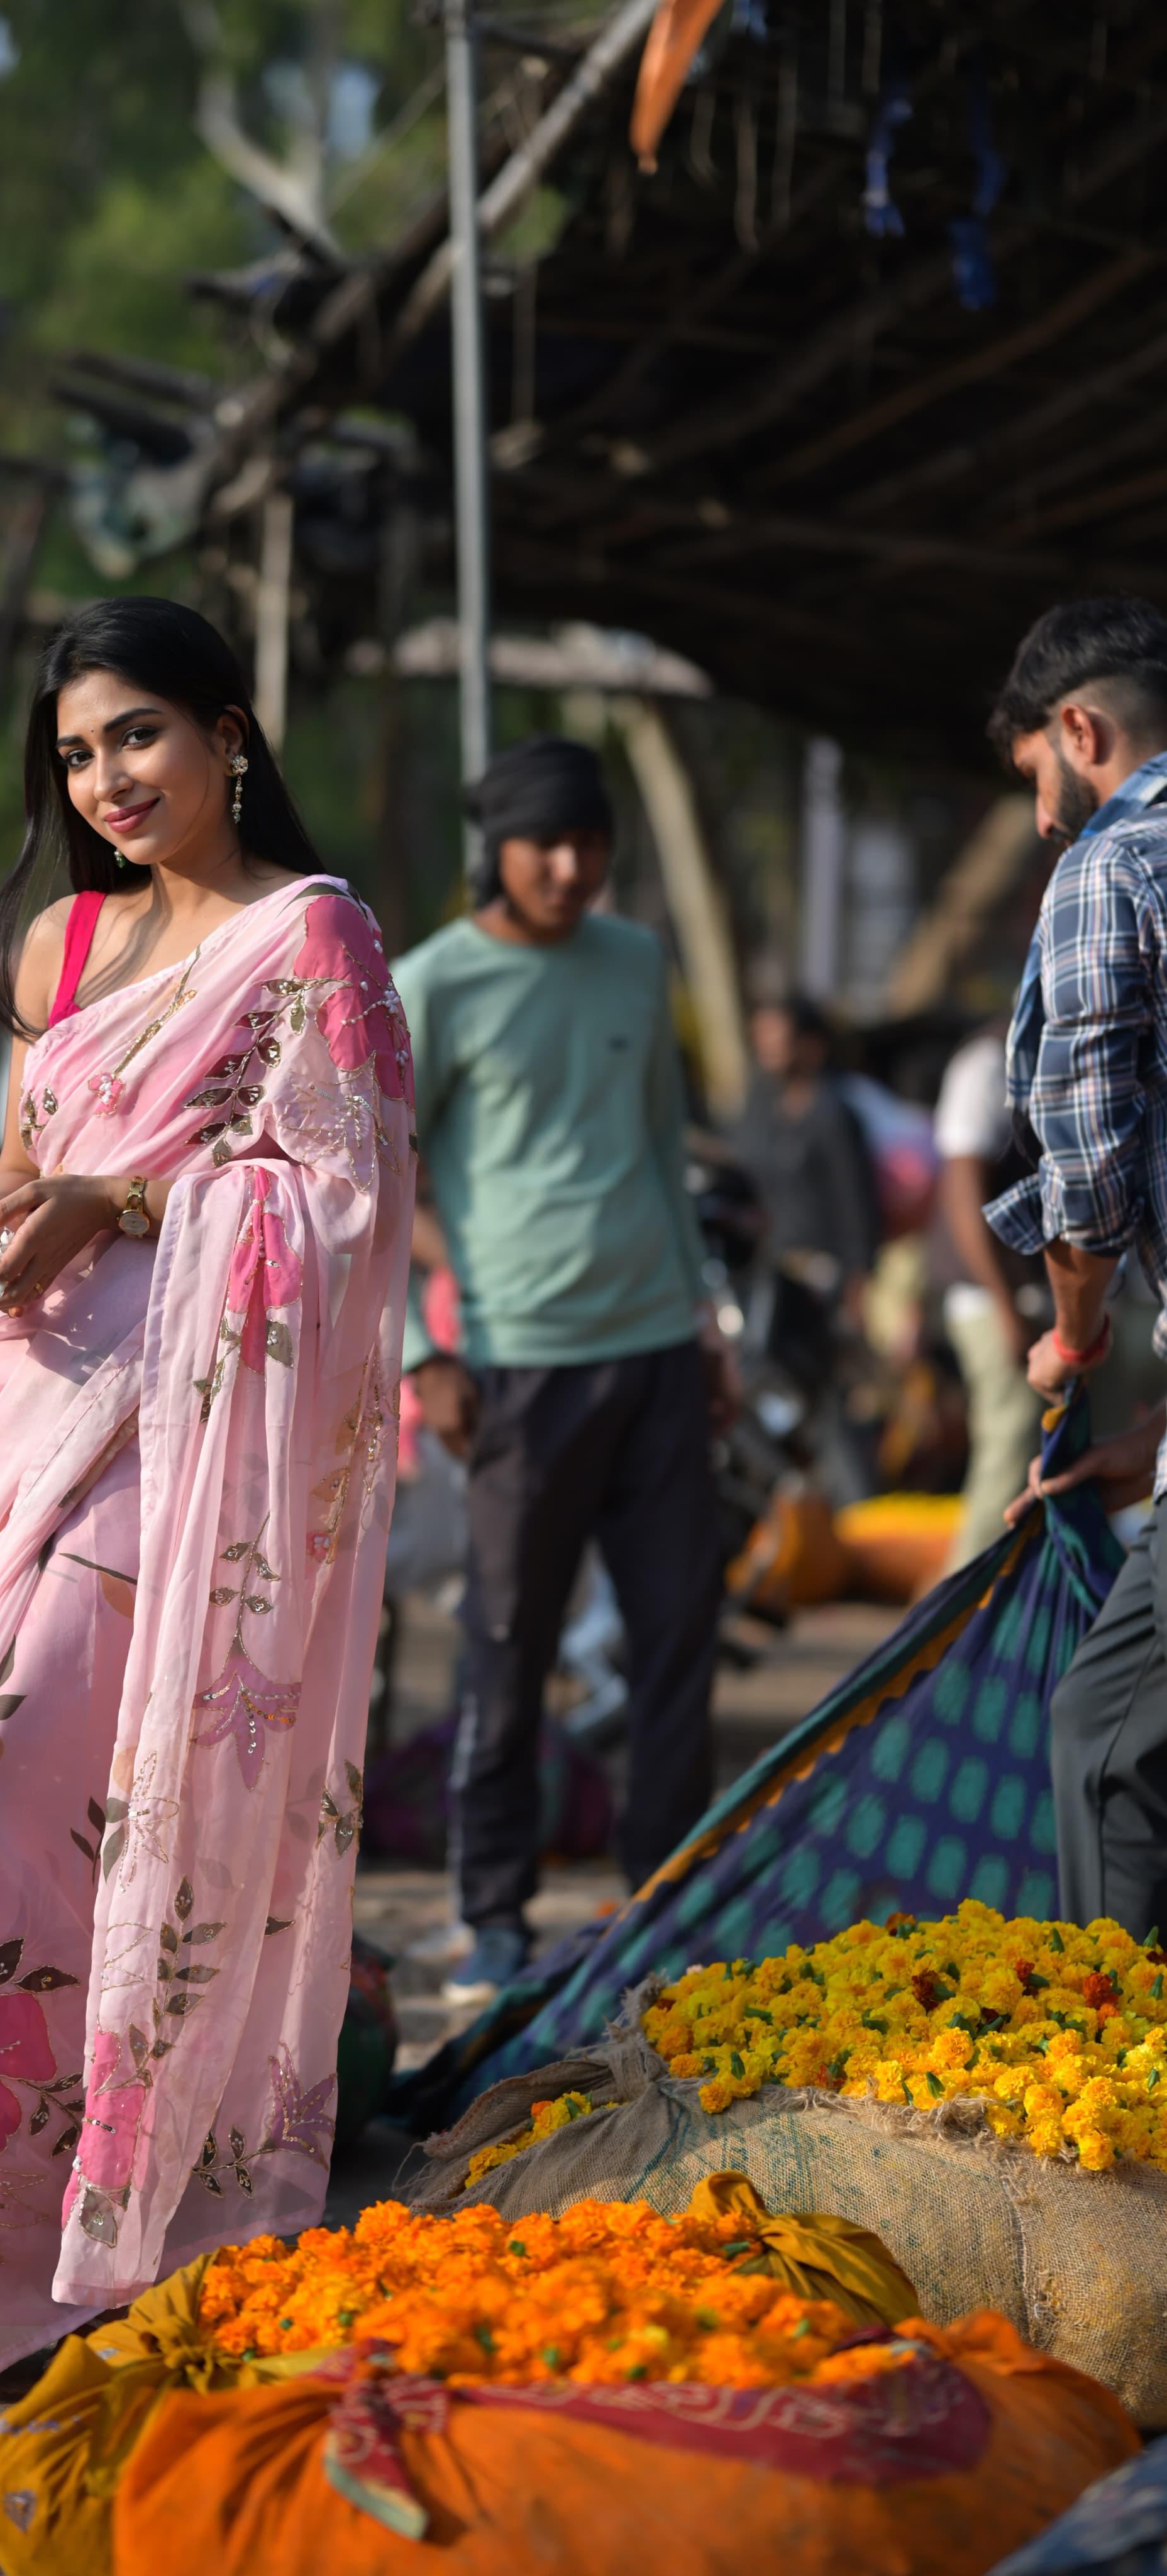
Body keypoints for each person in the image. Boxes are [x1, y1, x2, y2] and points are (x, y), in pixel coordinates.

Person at [0, 598, 412, 2380]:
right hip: (26, 1413)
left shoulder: (311, 936)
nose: (105, 777)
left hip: (179, 1443)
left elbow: (343, 1211)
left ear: (226, 732)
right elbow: (45, 1153)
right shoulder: (60, 947)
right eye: (73, 752)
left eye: (135, 735)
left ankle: (101, 2229)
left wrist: (123, 1209)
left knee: (18, 1779)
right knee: (0, 1807)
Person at [395, 734, 735, 2008]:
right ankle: (490, 1914)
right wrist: (429, 1349)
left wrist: (706, 1327)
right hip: (517, 1365)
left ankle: (665, 1904)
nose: (573, 867)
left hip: (653, 1346)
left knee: (676, 1637)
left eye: (593, 845)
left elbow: (660, 1151)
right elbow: (382, 1179)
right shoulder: (432, 983)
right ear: (499, 847)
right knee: (503, 1642)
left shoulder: (638, 960)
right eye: (549, 844)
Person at [988, 597, 1167, 1940]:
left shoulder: (1113, 864)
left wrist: (1076, 1339)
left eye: (1036, 783)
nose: (1044, 819)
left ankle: (1114, 2101)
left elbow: (1090, 1179)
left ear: (1080, 731)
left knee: (1107, 1741)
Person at [933, 1022, 1051, 1565]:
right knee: (1006, 1455)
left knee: (1031, 1458)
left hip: (1021, 1295)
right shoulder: (988, 1064)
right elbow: (962, 1193)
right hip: (990, 1298)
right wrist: (1005, 1305)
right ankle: (948, 1619)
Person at [734, 993, 880, 1307]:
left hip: (822, 1272)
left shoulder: (832, 1113)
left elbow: (853, 1197)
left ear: (809, 1043)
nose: (768, 1046)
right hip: (762, 1269)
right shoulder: (757, 1109)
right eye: (762, 1035)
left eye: (778, 1036)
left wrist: (859, 1274)